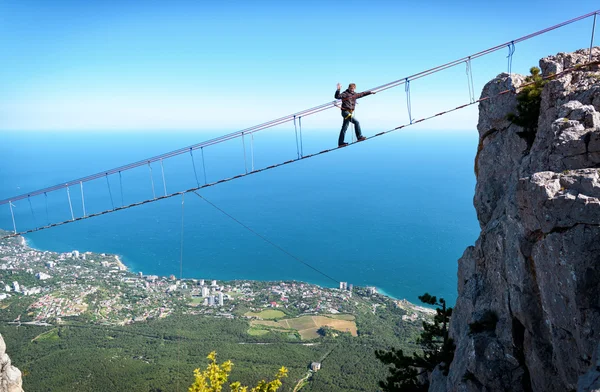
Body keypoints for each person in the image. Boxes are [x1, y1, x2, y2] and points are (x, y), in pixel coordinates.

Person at [334, 83, 375, 147]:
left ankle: (340, 143)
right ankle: (359, 137)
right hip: (345, 112)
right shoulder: (345, 94)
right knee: (356, 122)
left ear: (354, 88)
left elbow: (362, 94)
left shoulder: (355, 94)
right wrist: (338, 89)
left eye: (353, 89)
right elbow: (337, 96)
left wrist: (370, 92)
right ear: (348, 88)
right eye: (351, 89)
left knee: (344, 128)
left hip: (349, 112)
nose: (352, 90)